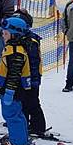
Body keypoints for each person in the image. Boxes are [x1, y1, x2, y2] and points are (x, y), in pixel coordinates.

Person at [0, 17, 32, 145]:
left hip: (13, 89)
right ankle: (21, 137)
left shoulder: (16, 52)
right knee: (16, 114)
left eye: (6, 33)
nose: (3, 36)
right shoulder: (12, 48)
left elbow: (14, 74)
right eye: (3, 33)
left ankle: (18, 143)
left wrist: (9, 91)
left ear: (15, 35)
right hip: (11, 88)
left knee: (12, 115)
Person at [13, 9, 48, 138]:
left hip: (31, 78)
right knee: (22, 102)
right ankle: (24, 123)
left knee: (32, 102)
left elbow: (33, 62)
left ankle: (38, 127)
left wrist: (33, 80)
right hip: (21, 78)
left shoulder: (30, 41)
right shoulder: (17, 39)